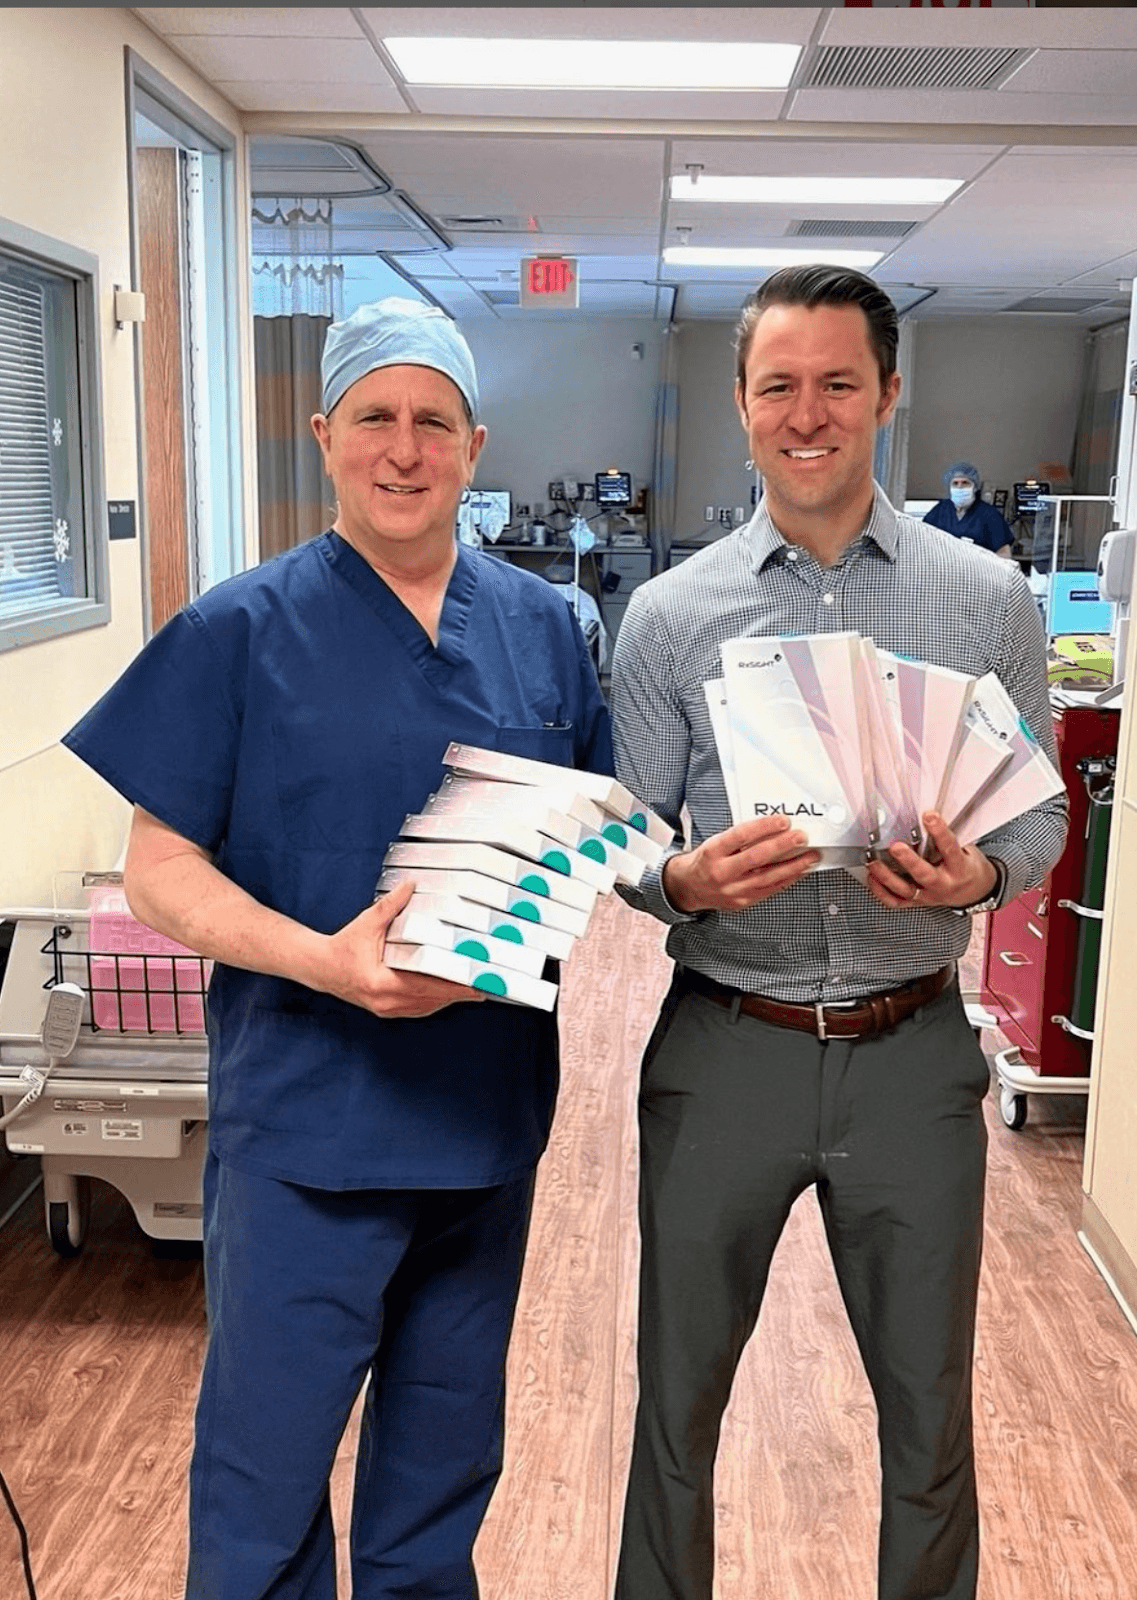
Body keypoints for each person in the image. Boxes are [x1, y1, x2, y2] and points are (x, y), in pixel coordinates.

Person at [63, 297, 611, 1600]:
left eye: (433, 422)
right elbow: (158, 871)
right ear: (323, 435)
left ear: (475, 446)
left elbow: (591, 826)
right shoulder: (236, 631)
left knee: (437, 1489)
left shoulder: (542, 628)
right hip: (308, 1131)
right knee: (262, 1491)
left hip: (481, 1129)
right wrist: (327, 963)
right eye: (374, 417)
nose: (403, 449)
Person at [608, 264, 1067, 1600]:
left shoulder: (983, 601)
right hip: (723, 1049)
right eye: (777, 386)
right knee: (674, 1413)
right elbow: (624, 835)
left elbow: (1039, 814)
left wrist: (977, 875)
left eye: (835, 385)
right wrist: (682, 881)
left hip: (912, 1056)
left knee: (928, 1418)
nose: (805, 414)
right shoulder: (670, 616)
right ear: (739, 403)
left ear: (885, 394)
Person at [923, 460, 1014, 556]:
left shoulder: (990, 515)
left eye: (965, 483)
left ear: (975, 487)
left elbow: (1004, 551)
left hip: (978, 564)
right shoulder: (940, 511)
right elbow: (923, 537)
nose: (960, 487)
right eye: (955, 483)